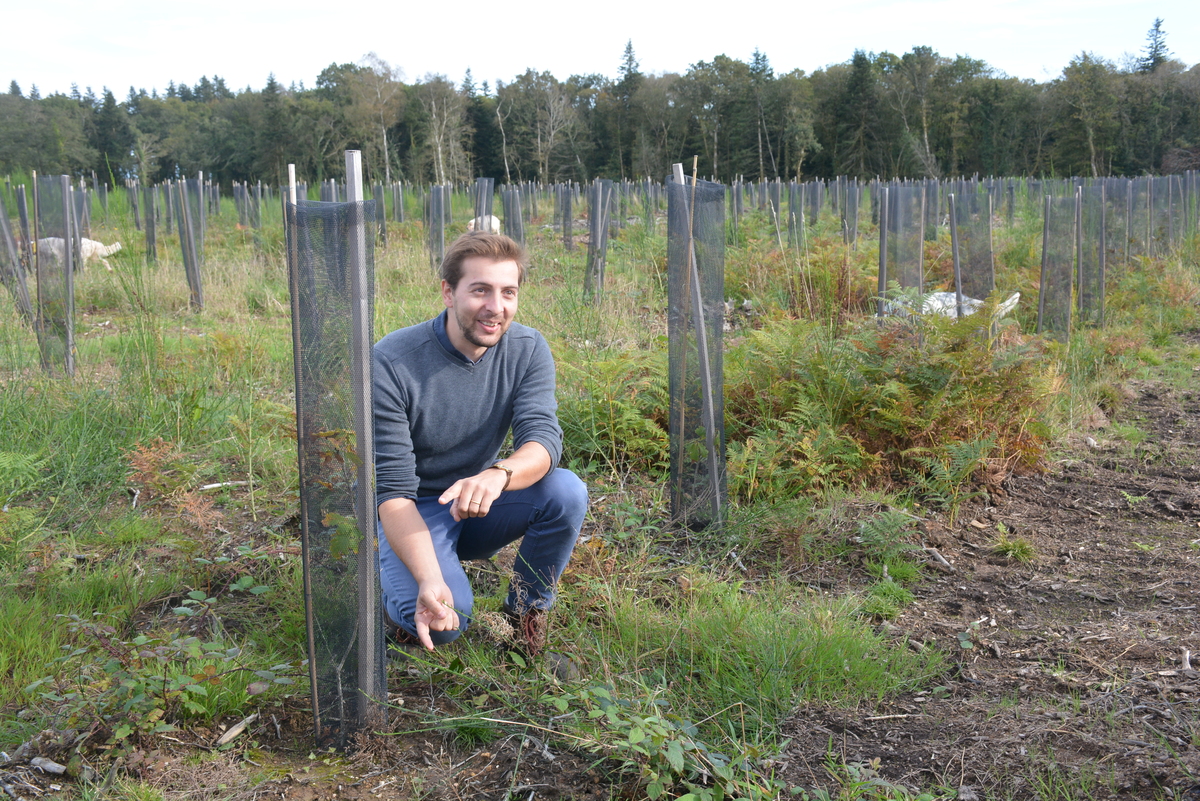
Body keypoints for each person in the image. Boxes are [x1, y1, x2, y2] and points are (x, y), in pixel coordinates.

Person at [373, 232, 588, 656]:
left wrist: (498, 474)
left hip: (479, 503)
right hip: (413, 512)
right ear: (448, 293)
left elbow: (543, 439)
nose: (496, 307)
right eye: (480, 290)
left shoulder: (527, 349)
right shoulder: (393, 362)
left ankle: (524, 619)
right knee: (448, 622)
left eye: (508, 292)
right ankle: (394, 597)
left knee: (566, 491)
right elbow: (393, 492)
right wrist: (429, 578)